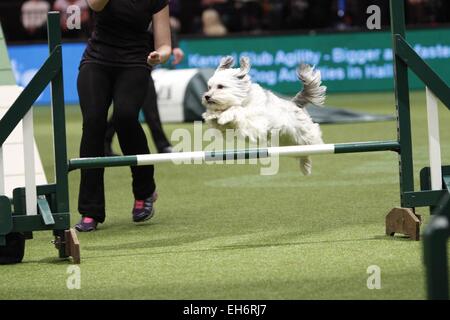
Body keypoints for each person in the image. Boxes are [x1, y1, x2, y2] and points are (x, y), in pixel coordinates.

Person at [75, 0, 171, 232]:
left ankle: (144, 190)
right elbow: (96, 6)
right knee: (93, 122)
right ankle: (90, 210)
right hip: (97, 60)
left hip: (135, 62)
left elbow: (165, 44)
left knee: (126, 118)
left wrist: (160, 55)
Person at [104, 31, 185, 156]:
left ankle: (163, 145)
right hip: (124, 64)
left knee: (135, 108)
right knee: (126, 109)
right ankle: (163, 146)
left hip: (142, 64)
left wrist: (174, 46)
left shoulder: (152, 15)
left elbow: (162, 26)